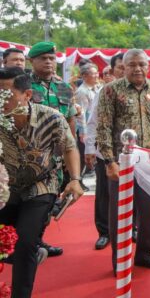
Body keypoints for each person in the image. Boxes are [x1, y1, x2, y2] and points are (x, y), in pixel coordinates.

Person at [0, 67, 83, 298]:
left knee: (26, 241)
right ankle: (31, 255)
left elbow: (69, 148)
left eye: (5, 93)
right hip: (6, 187)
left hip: (41, 184)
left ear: (26, 95)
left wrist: (75, 180)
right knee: (9, 245)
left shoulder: (51, 117)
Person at [96, 49, 150, 274]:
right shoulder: (110, 90)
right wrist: (109, 162)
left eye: (142, 64)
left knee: (148, 211)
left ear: (148, 67)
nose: (137, 68)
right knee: (120, 213)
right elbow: (103, 127)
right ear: (124, 67)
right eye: (132, 65)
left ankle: (145, 254)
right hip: (122, 162)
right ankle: (120, 260)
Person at [27, 41, 77, 258]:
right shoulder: (23, 85)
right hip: (30, 154)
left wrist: (72, 150)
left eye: (51, 58)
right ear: (32, 61)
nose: (48, 62)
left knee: (50, 200)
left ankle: (37, 240)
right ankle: (26, 243)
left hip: (57, 155)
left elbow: (71, 119)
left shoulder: (64, 88)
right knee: (30, 201)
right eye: (43, 58)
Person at [85, 53, 125, 251]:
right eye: (121, 67)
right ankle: (104, 232)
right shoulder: (105, 92)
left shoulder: (145, 91)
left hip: (134, 155)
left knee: (134, 193)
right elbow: (93, 121)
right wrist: (90, 149)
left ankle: (131, 228)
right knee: (105, 194)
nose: (127, 70)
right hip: (107, 154)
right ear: (113, 70)